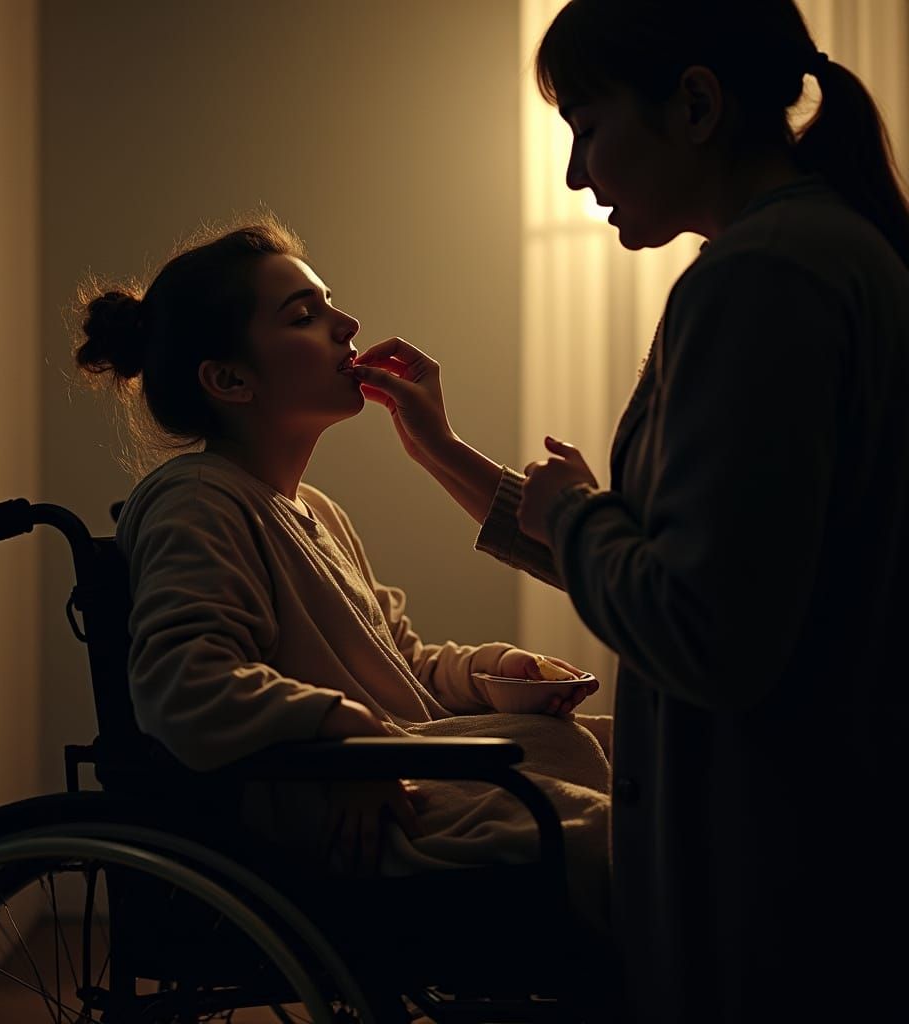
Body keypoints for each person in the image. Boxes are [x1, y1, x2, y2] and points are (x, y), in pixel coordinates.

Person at [349, 1, 909, 1020]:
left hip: (768, 874)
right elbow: (700, 565)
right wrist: (452, 456)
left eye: (588, 126)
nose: (574, 173)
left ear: (694, 104)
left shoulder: (760, 282)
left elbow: (698, 626)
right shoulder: (829, 253)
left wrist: (578, 516)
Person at [72, 213, 614, 934]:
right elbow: (183, 682)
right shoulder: (196, 501)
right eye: (306, 315)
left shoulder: (315, 512)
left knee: (622, 748)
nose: (348, 322)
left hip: (391, 763)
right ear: (230, 379)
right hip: (333, 813)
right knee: (624, 833)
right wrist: (344, 730)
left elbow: (401, 663)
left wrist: (492, 672)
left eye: (330, 304)